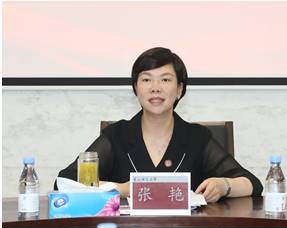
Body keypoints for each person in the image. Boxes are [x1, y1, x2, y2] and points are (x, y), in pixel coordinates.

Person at [57, 47, 262, 202]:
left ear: (180, 89)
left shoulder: (196, 137)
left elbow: (252, 183)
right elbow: (65, 182)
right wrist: (125, 189)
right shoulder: (117, 135)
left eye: (165, 80)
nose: (155, 88)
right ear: (136, 88)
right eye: (147, 80)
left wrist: (223, 185)